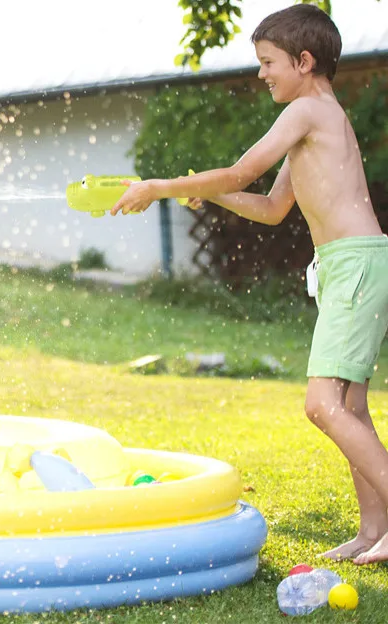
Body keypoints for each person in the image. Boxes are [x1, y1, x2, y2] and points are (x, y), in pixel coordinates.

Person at [110, 5, 388, 565]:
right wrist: (208, 193)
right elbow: (270, 206)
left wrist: (162, 186)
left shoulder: (307, 110)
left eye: (268, 62)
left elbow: (241, 172)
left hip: (356, 263)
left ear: (304, 62)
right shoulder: (317, 117)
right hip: (345, 265)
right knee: (351, 409)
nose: (261, 74)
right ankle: (372, 532)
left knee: (323, 406)